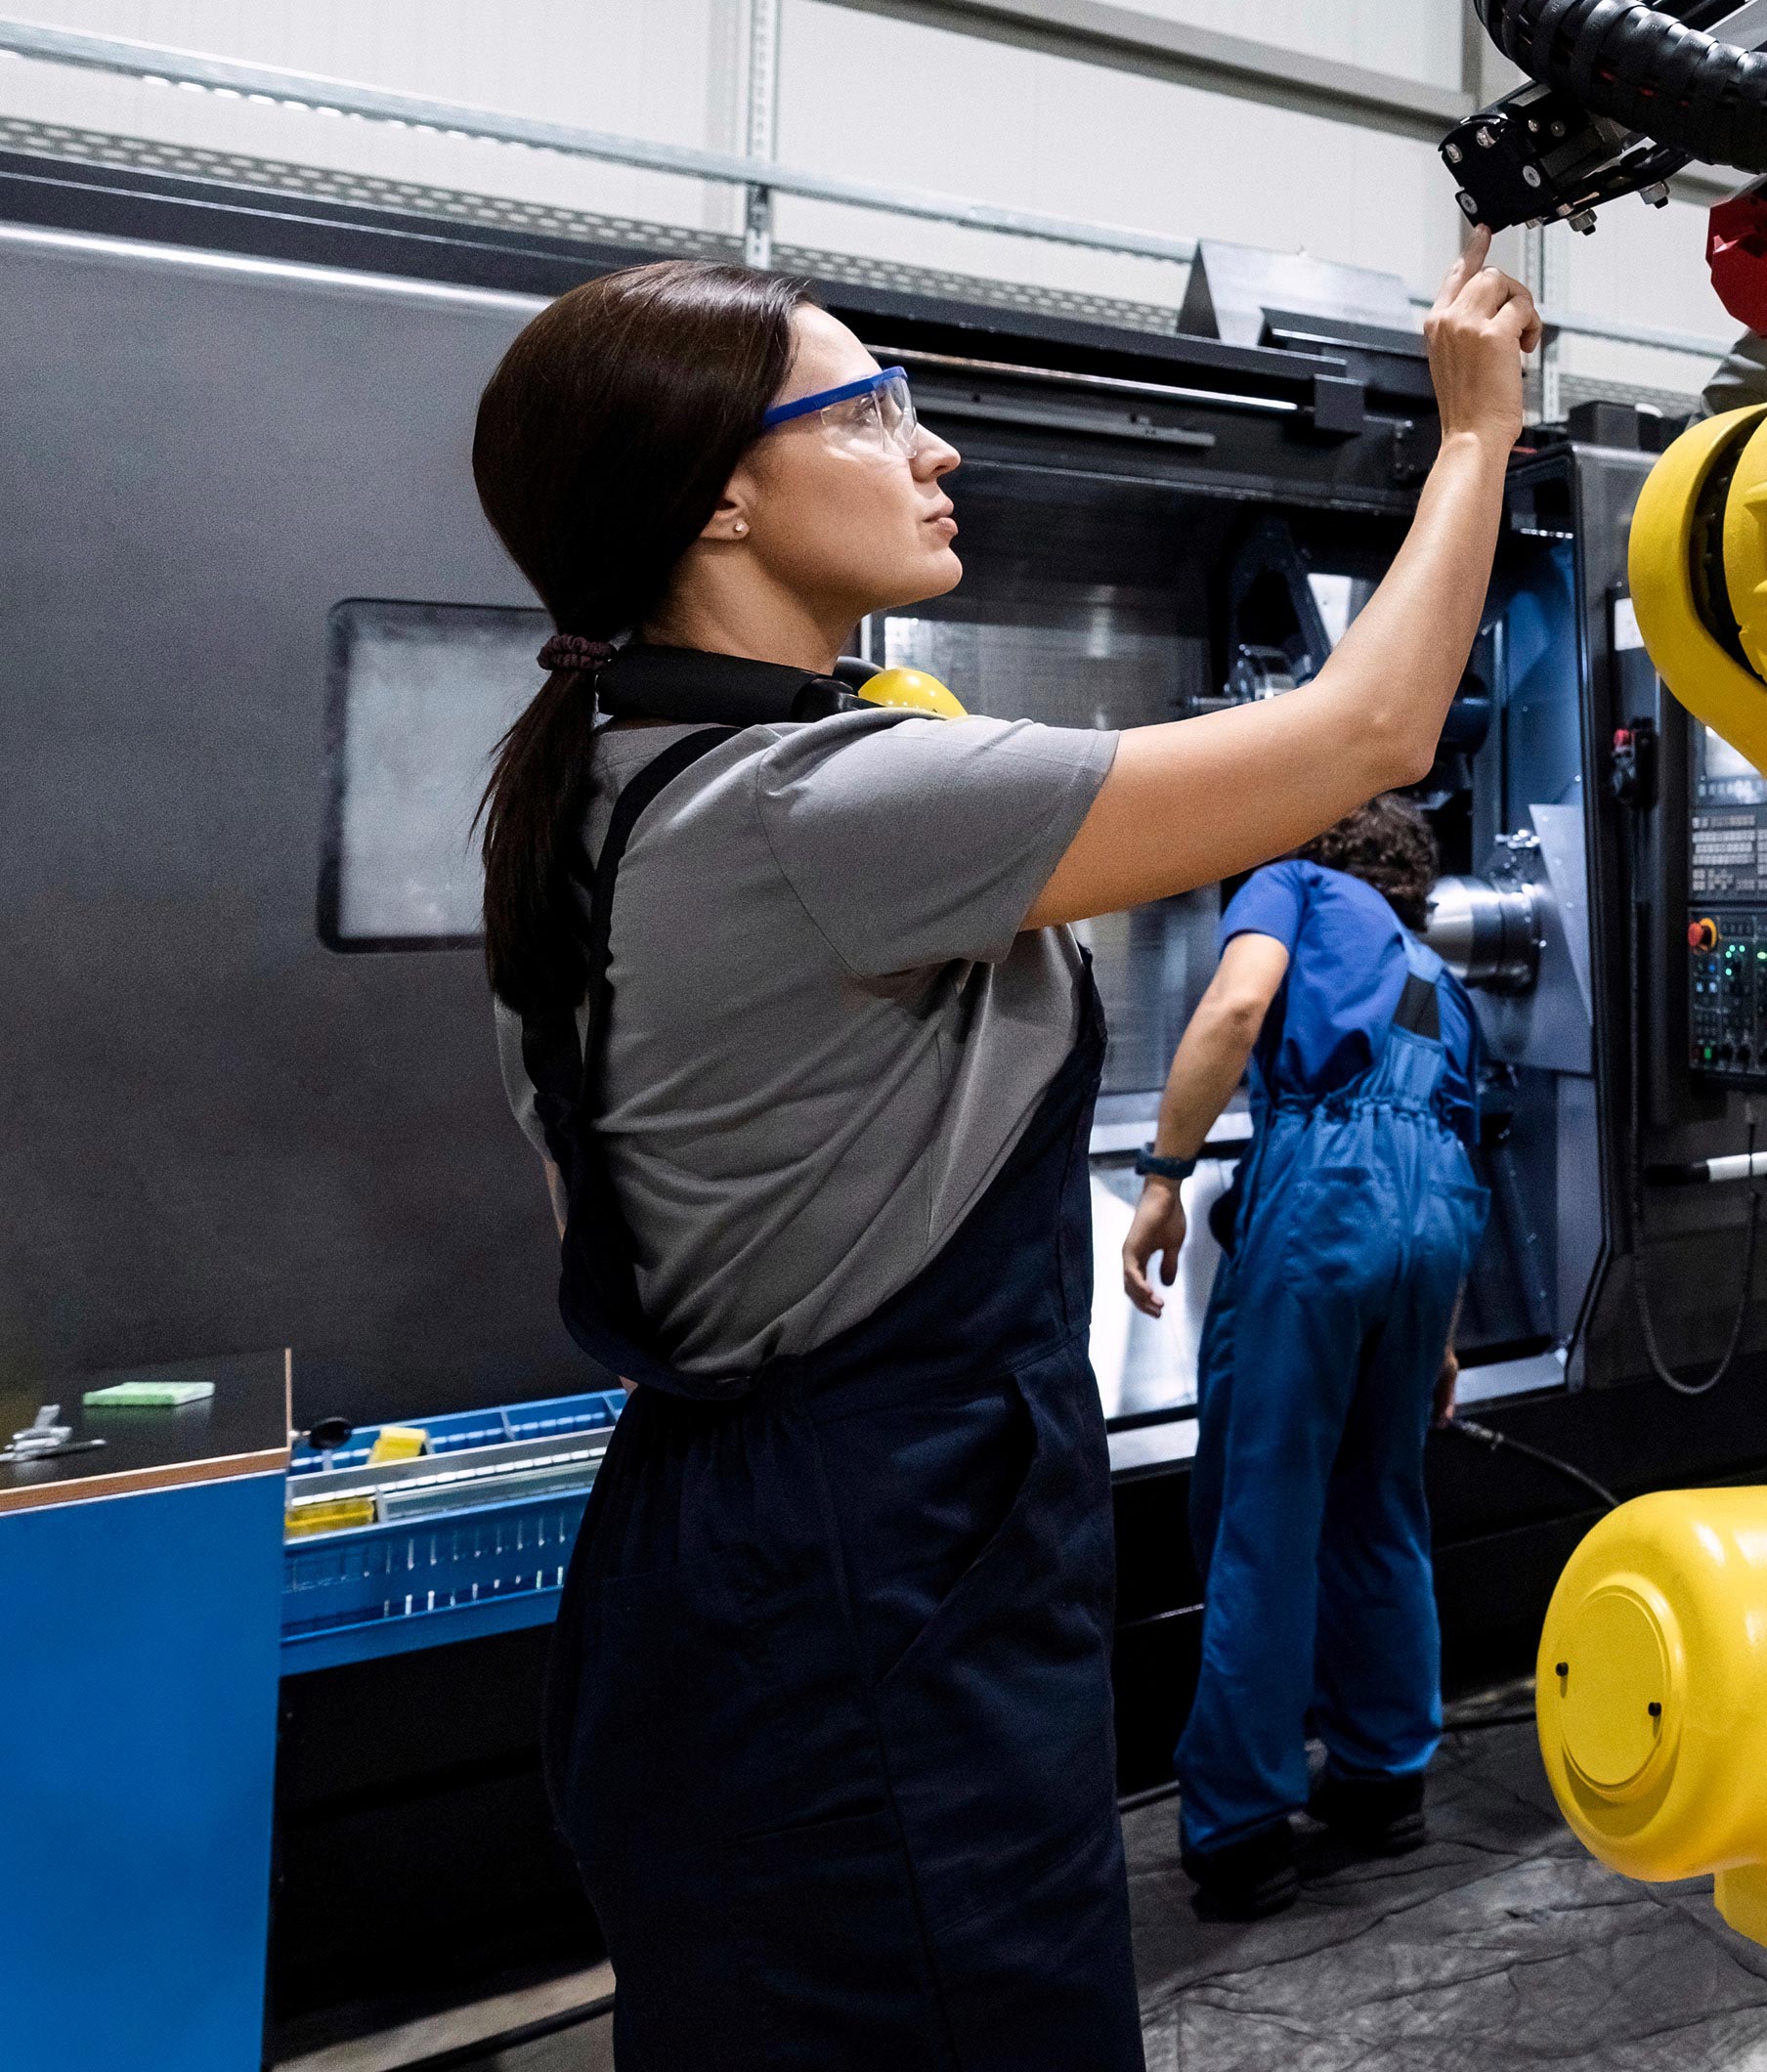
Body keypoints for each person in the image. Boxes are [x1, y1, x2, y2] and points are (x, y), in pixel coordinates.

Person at [467, 231, 1537, 2069]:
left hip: (725, 1558)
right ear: (725, 498)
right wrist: (1475, 435)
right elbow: (1366, 729)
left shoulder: (598, 781)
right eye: (874, 408)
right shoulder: (825, 802)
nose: (931, 445)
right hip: (871, 1597)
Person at [1119, 791, 1490, 1918]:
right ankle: (1384, 1785)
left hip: (1328, 1198)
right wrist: (1441, 1342)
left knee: (1265, 1513)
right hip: (1436, 1230)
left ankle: (1241, 1831)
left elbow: (1236, 1009)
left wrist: (1163, 1174)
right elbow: (1460, 1148)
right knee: (1380, 1507)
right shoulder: (1443, 982)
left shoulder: (1291, 884)